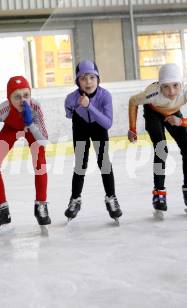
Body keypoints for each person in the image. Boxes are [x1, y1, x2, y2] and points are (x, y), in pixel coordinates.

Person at [127, 63, 187, 216]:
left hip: (174, 114)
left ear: (182, 83)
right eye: (165, 87)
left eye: (175, 85)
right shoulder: (152, 92)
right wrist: (132, 128)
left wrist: (181, 121)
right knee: (161, 149)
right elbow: (133, 101)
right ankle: (159, 193)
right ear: (159, 86)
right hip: (153, 113)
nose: (171, 91)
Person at [0, 75, 50, 228]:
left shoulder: (35, 107)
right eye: (17, 97)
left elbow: (43, 140)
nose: (23, 101)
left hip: (32, 129)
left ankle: (41, 205)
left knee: (40, 162)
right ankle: (2, 210)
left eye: (26, 95)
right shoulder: (3, 109)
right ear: (9, 98)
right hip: (10, 129)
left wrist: (30, 123)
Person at [64, 60, 122, 222]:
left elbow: (107, 123)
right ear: (77, 81)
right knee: (80, 165)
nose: (88, 82)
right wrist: (80, 111)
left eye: (91, 77)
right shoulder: (71, 98)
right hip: (81, 128)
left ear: (97, 79)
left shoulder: (105, 96)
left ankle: (111, 198)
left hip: (99, 127)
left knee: (104, 163)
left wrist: (89, 106)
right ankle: (75, 199)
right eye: (83, 78)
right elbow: (69, 113)